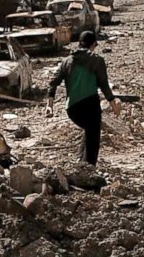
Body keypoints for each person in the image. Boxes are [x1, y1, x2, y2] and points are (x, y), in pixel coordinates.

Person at [49, 30, 117, 166]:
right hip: (90, 105)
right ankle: (88, 170)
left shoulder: (66, 61)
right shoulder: (97, 60)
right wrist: (112, 102)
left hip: (72, 109)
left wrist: (49, 105)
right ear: (93, 45)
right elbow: (104, 84)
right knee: (93, 138)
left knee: (88, 131)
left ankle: (80, 163)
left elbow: (53, 82)